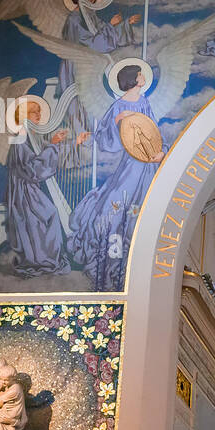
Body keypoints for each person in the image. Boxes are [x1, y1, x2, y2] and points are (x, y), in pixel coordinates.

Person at [68, 64, 166, 290]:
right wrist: (116, 120)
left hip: (148, 162)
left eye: (142, 73)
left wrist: (159, 152)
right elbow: (108, 139)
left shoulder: (144, 102)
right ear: (134, 79)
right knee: (115, 205)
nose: (143, 77)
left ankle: (135, 265)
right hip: (132, 163)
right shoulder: (119, 106)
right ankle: (111, 269)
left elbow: (152, 131)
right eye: (140, 74)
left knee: (142, 208)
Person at [6, 99, 87, 277]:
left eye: (39, 112)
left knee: (50, 213)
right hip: (23, 192)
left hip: (31, 189)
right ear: (25, 116)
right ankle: (43, 260)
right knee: (50, 213)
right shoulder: (20, 137)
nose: (39, 116)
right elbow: (33, 169)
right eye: (35, 112)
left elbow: (48, 153)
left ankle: (47, 257)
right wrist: (53, 144)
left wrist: (74, 143)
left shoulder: (30, 137)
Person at [61, 0, 138, 133]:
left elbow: (104, 31)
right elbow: (91, 44)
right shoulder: (74, 19)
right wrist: (111, 25)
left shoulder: (90, 17)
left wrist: (125, 24)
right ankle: (85, 132)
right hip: (78, 67)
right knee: (83, 102)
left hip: (93, 65)